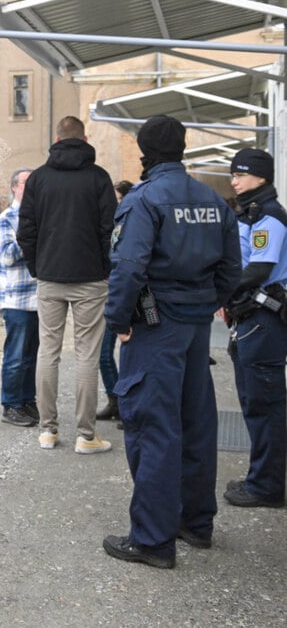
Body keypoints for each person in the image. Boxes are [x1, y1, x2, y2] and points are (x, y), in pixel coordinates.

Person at [102, 115, 240, 568]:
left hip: (154, 326)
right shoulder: (212, 199)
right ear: (183, 148)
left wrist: (118, 320)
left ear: (144, 151)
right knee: (196, 422)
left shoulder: (145, 200)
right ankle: (195, 523)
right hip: (196, 326)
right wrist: (204, 306)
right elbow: (231, 271)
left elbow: (128, 267)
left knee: (153, 428)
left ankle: (152, 539)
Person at [17, 115, 117, 454]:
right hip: (91, 278)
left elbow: (25, 232)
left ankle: (48, 431)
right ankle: (86, 436)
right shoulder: (99, 178)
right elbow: (110, 232)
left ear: (56, 139)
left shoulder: (39, 179)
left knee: (49, 351)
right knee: (87, 354)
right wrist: (105, 268)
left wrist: (37, 266)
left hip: (49, 277)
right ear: (84, 139)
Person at [222, 148, 287, 509]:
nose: (234, 180)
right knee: (253, 403)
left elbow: (259, 270)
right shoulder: (251, 215)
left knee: (265, 406)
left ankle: (267, 487)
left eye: (240, 174)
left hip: (264, 321)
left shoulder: (269, 218)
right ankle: (260, 478)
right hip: (250, 320)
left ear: (261, 177)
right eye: (232, 174)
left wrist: (220, 289)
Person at [0, 168, 39, 427]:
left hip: (39, 298)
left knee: (32, 356)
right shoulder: (7, 218)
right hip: (16, 300)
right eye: (26, 183)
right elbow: (8, 256)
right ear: (14, 187)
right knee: (15, 357)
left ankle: (27, 399)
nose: (31, 187)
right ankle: (10, 404)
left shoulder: (39, 217)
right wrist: (31, 238)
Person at [97, 179, 135, 427]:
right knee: (103, 354)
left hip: (126, 295)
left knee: (130, 353)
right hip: (108, 293)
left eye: (119, 199)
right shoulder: (110, 227)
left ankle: (128, 405)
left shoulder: (133, 227)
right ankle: (116, 401)